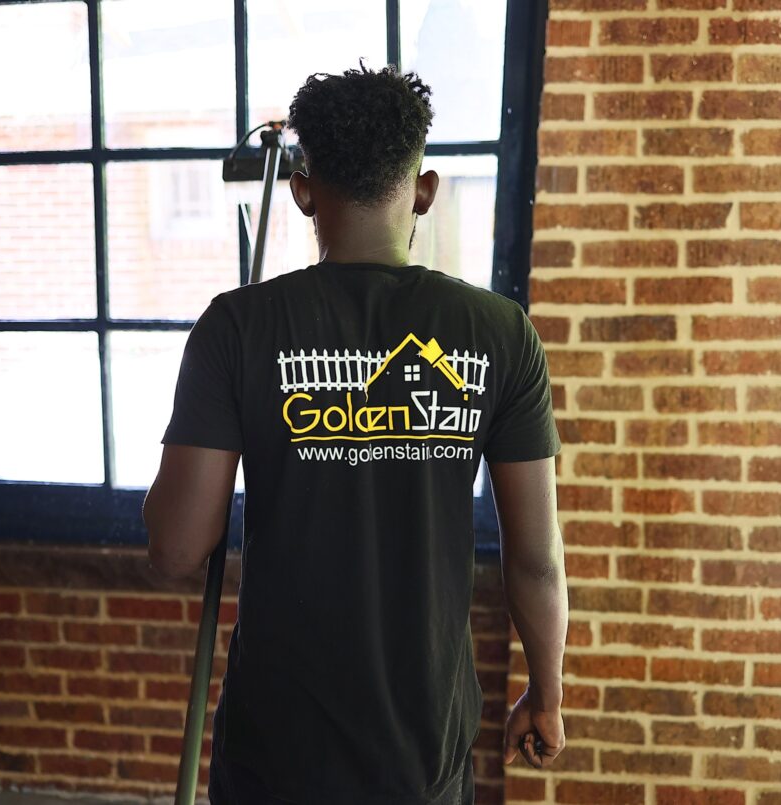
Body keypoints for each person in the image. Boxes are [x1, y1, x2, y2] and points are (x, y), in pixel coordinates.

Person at [143, 60, 568, 805]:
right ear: (424, 190)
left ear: (302, 189)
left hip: (275, 753)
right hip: (423, 756)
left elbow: (177, 549)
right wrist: (547, 690)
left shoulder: (236, 328)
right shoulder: (502, 334)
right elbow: (535, 559)